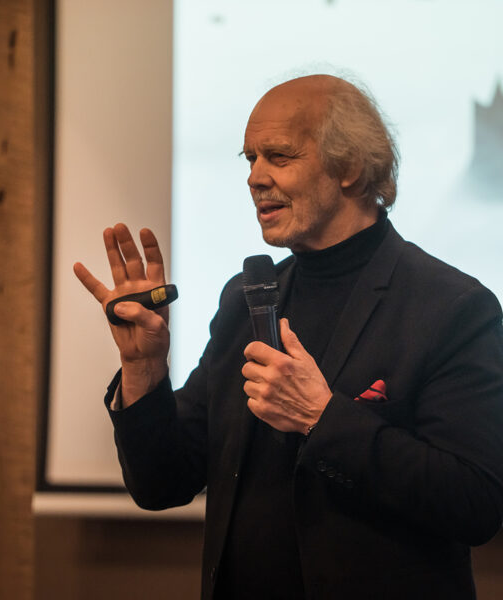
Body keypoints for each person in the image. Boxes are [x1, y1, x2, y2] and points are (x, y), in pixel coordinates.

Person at [73, 75, 503, 600]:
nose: (255, 177)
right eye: (250, 158)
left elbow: (475, 503)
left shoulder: (451, 306)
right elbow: (161, 483)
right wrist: (144, 370)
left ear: (349, 166)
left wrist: (323, 418)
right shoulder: (246, 298)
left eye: (278, 156)